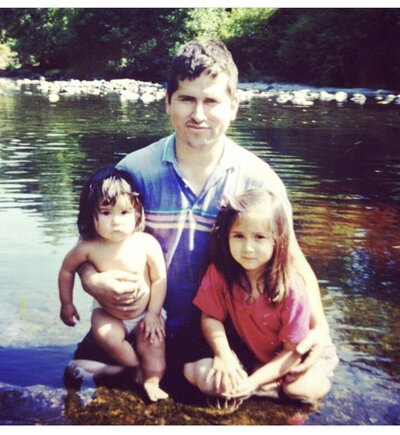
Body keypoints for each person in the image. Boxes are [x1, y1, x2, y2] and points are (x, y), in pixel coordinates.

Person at [70, 38, 337, 400]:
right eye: (186, 99)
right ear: (167, 103)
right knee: (78, 372)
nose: (198, 114)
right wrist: (93, 282)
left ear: (233, 107)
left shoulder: (259, 180)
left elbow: (291, 257)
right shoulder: (134, 171)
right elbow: (90, 246)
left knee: (296, 389)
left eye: (211, 101)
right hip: (151, 325)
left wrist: (319, 326)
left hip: (228, 329)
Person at [184, 188, 335, 403]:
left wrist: (252, 382)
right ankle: (261, 380)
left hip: (297, 356)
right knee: (209, 380)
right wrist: (224, 355)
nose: (248, 248)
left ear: (277, 240)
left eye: (259, 237)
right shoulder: (219, 273)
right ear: (225, 236)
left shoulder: (291, 287)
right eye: (238, 236)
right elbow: (211, 317)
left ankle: (277, 381)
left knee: (300, 391)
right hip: (258, 353)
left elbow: (293, 352)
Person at [58, 165, 168, 402]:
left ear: (137, 213)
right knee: (104, 333)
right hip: (109, 313)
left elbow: (160, 278)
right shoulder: (88, 246)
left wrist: (154, 313)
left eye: (124, 213)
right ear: (91, 215)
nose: (116, 221)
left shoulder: (146, 243)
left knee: (155, 344)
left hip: (144, 313)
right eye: (106, 213)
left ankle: (152, 380)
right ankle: (133, 366)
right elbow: (67, 270)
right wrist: (67, 304)